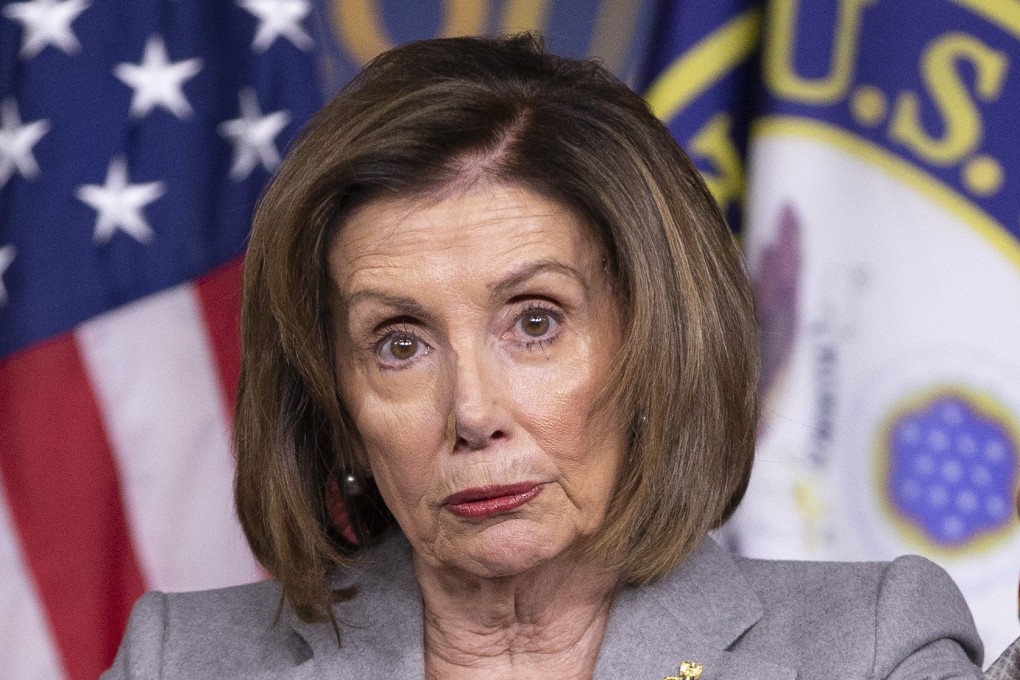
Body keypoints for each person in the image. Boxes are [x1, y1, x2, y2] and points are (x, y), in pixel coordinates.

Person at [103, 34, 985, 679]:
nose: (473, 412)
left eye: (535, 322)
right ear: (334, 403)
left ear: (655, 345)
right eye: (400, 343)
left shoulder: (870, 645)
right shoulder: (178, 659)